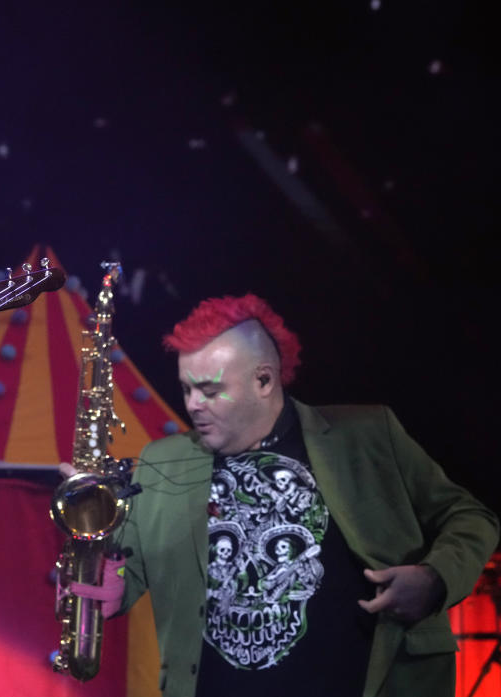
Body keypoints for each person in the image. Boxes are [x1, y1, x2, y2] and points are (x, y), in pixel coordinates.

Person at [113, 293, 498, 696]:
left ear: (264, 380)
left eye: (210, 391)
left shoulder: (366, 434)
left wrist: (435, 579)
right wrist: (104, 567)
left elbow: (471, 517)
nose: (193, 405)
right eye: (186, 389)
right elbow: (129, 568)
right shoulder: (165, 460)